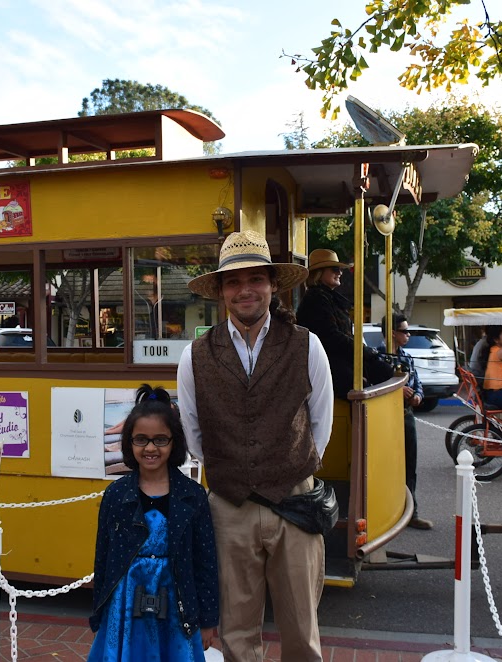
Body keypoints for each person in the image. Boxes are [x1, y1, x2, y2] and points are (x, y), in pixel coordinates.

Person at [177, 230, 334, 661]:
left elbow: (322, 423)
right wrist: (233, 473)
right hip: (229, 508)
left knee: (302, 631)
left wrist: (287, 469)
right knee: (237, 634)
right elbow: (192, 432)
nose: (245, 289)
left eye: (255, 279)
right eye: (234, 281)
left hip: (295, 504)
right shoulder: (195, 355)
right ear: (222, 291)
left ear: (271, 285)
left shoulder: (308, 345)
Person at [88, 384, 219, 661]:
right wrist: (99, 609)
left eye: (160, 440)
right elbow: (103, 555)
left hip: (176, 599)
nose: (150, 448)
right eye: (141, 439)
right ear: (129, 442)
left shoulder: (193, 496)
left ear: (174, 443)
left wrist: (207, 619)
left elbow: (205, 561)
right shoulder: (116, 494)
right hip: (125, 602)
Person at [296, 249, 393, 396]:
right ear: (320, 273)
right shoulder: (316, 299)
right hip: (325, 363)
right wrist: (362, 351)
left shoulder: (328, 297)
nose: (340, 272)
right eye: (335, 269)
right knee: (361, 384)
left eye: (340, 269)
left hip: (339, 358)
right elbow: (331, 337)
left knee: (384, 369)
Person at [388, 313, 433, 530]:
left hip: (406, 414)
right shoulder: (378, 356)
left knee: (410, 464)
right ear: (392, 333)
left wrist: (417, 396)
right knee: (386, 465)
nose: (408, 335)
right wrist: (397, 388)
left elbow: (419, 384)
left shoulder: (407, 357)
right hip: (385, 416)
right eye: (404, 331)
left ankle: (411, 511)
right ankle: (387, 513)